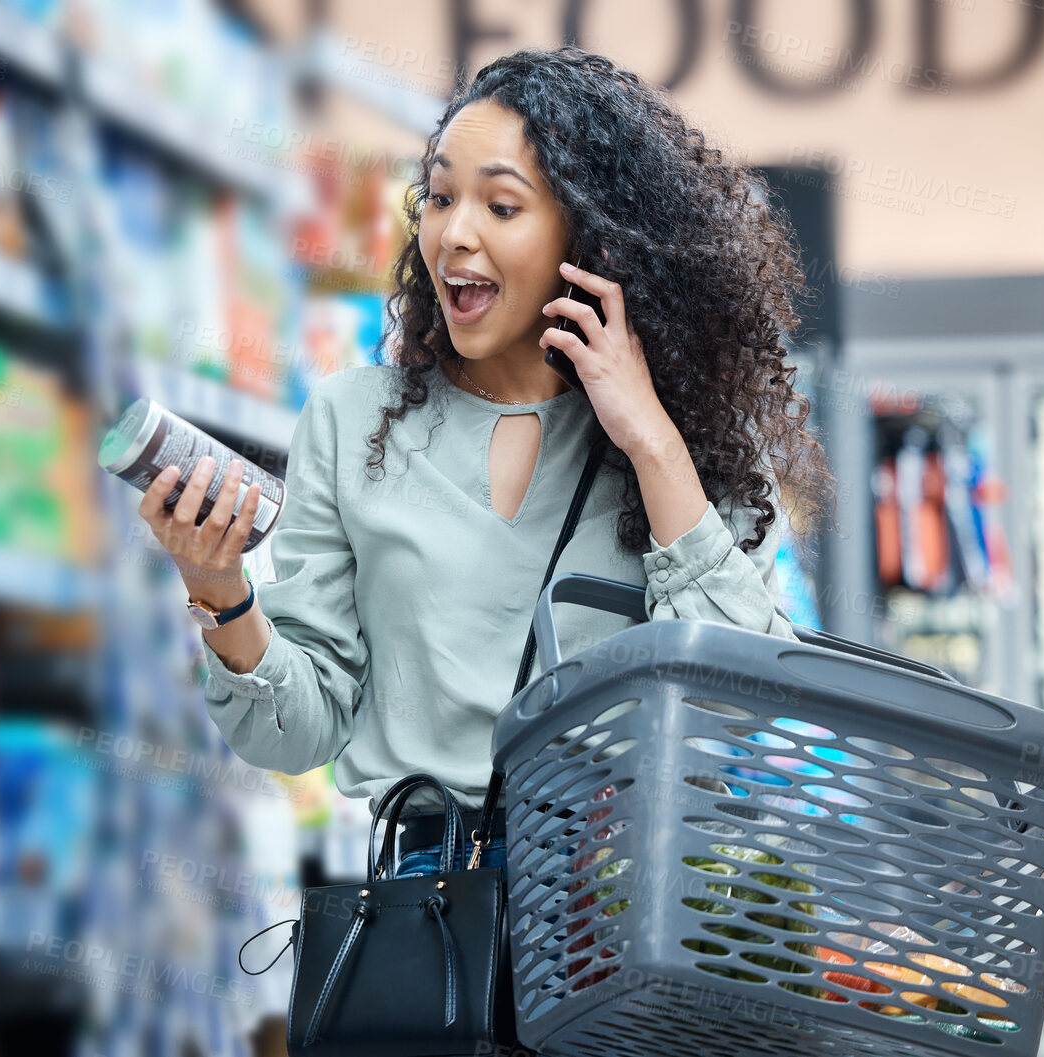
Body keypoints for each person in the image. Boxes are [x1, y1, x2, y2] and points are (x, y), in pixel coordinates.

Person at [136, 46, 830, 876]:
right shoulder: (354, 421)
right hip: (429, 917)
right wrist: (219, 591)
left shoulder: (689, 442)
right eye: (438, 196)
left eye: (502, 205)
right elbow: (300, 728)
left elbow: (738, 705)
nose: (454, 233)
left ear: (592, 235)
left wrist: (647, 434)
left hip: (625, 913)